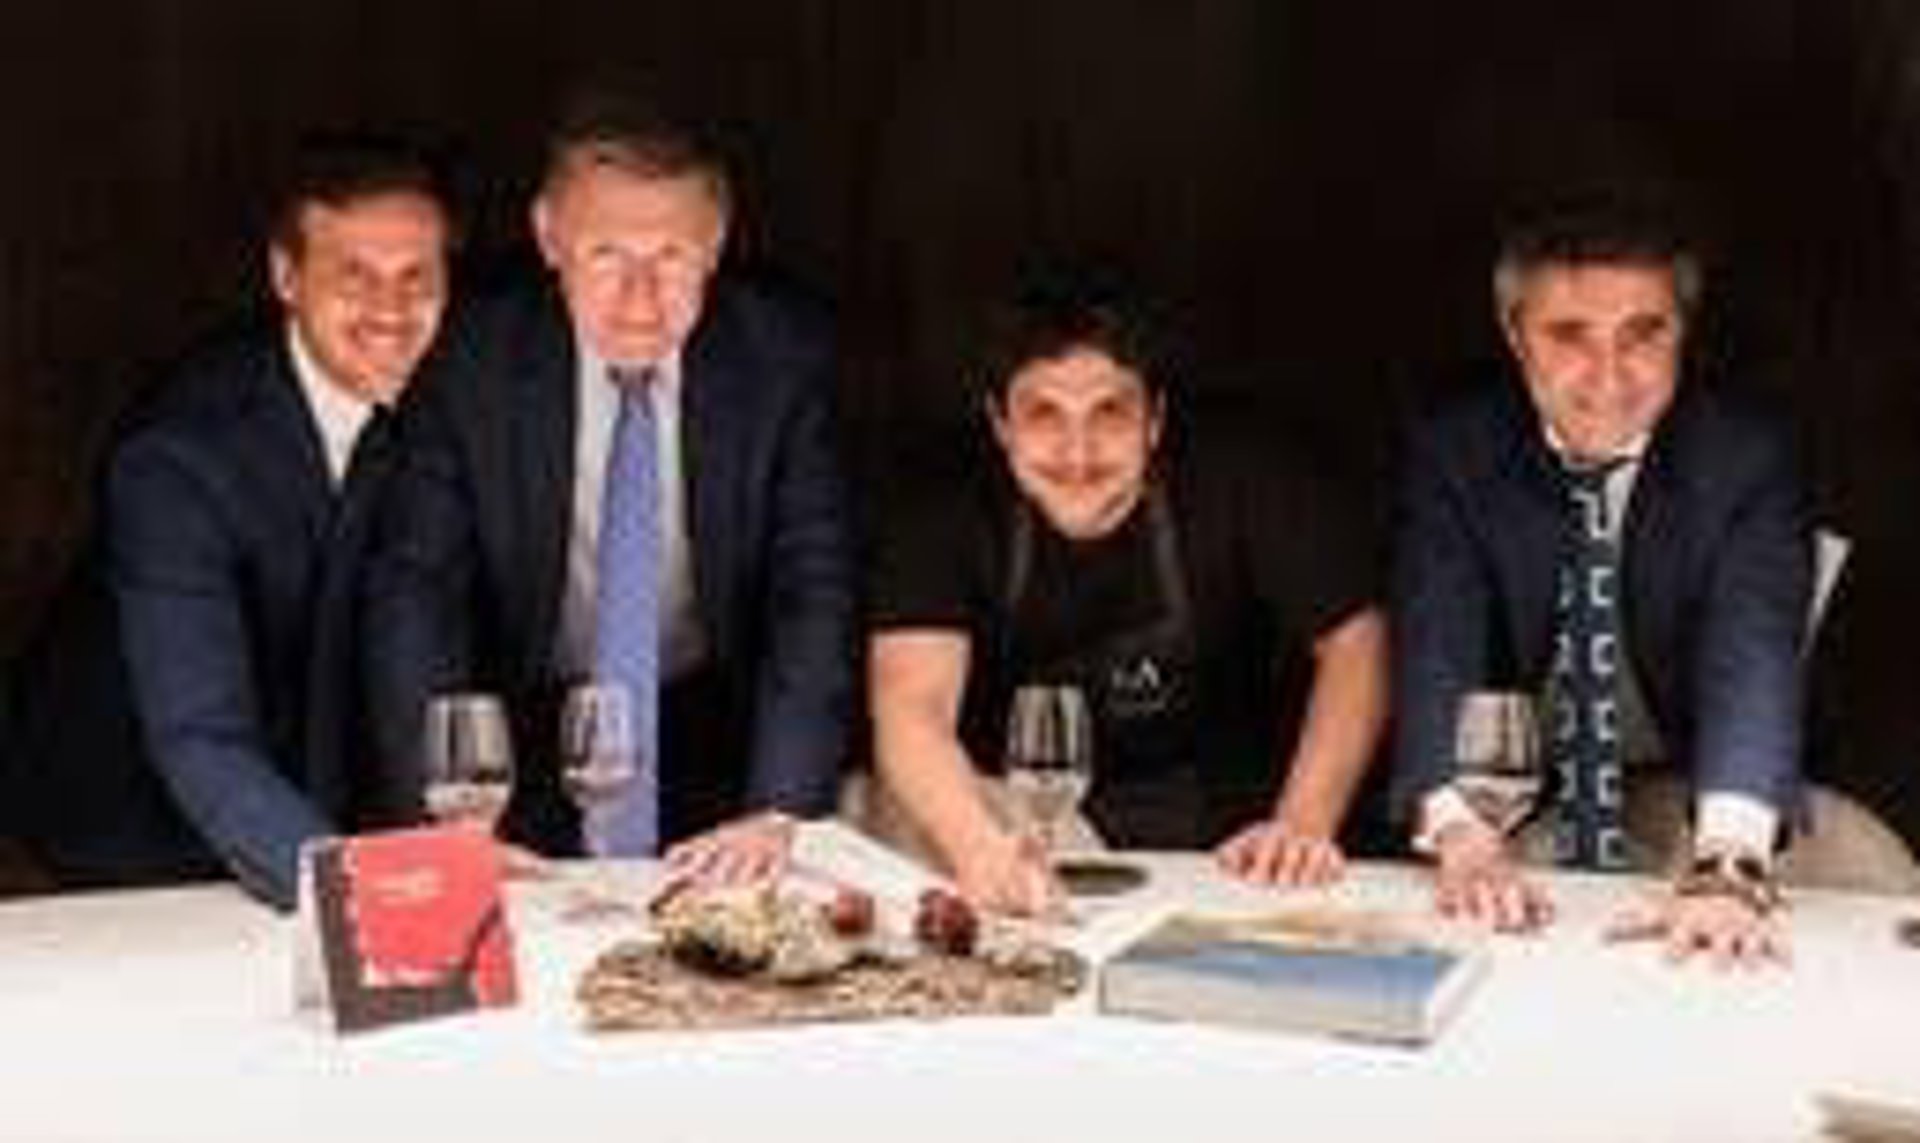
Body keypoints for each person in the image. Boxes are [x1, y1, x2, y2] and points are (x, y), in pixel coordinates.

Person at [363, 97, 854, 882]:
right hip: (515, 741)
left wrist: (779, 808)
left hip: (719, 741)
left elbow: (813, 592)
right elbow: (416, 594)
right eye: (605, 256)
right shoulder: (472, 357)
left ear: (716, 244)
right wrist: (444, 814)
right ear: (547, 236)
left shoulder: (782, 358)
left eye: (671, 258)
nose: (639, 300)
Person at [3, 136, 453, 908]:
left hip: (303, 816)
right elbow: (198, 731)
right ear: (286, 276)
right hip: (129, 830)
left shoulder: (433, 407)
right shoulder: (179, 458)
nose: (391, 309)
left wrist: (436, 839)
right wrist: (349, 890)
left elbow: (408, 633)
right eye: (355, 276)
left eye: (418, 277)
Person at [867, 277, 1388, 915]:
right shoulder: (940, 505)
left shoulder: (1243, 470)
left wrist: (1303, 824)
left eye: (1109, 414)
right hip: (1017, 820)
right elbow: (911, 708)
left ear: (1155, 421)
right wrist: (978, 849)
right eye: (1044, 416)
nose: (1078, 454)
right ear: (1000, 424)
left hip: (1218, 833)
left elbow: (1356, 643)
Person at [1391, 194, 1811, 965]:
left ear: (1684, 332)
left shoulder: (1745, 457)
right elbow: (1434, 642)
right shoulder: (1456, 449)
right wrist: (1459, 828)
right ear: (1514, 335)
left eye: (1644, 333)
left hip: (1699, 784)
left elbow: (1752, 653)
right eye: (1569, 335)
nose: (1609, 373)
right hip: (1517, 799)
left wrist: (1728, 865)